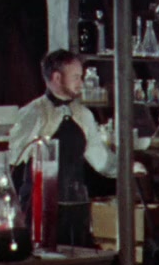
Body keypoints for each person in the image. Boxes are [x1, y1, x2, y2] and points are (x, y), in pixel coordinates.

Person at [9, 49, 117, 247]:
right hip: (39, 206)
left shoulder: (83, 114)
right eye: (76, 77)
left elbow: (99, 158)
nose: (81, 83)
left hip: (75, 205)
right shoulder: (33, 113)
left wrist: (126, 167)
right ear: (57, 78)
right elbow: (10, 153)